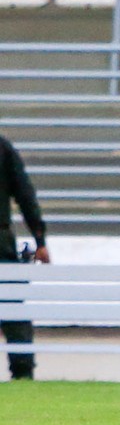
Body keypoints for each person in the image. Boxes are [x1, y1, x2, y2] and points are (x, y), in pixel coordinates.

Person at [0, 134, 51, 381]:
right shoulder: (2, 147)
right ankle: (22, 370)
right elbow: (24, 193)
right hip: (1, 240)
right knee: (12, 309)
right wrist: (39, 240)